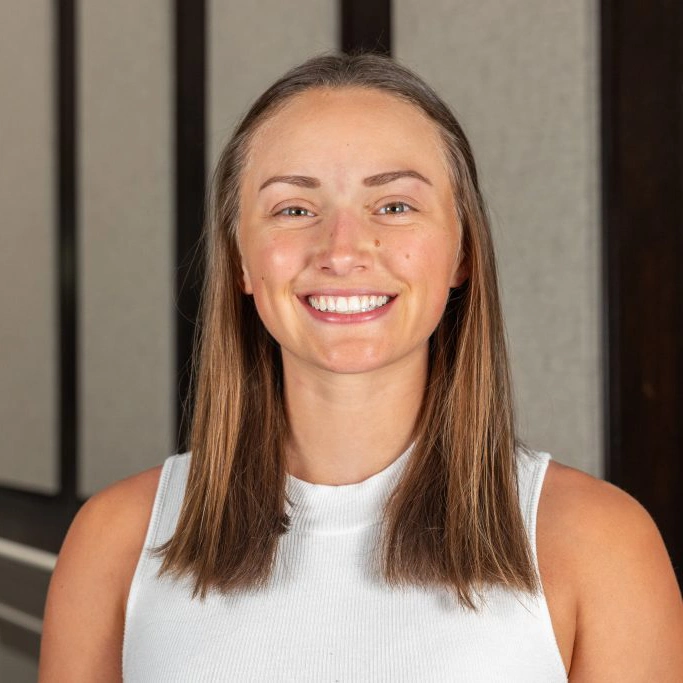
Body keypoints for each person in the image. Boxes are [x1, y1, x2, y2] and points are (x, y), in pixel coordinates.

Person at [39, 52, 682, 682]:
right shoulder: (115, 540)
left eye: (395, 206)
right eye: (293, 209)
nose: (342, 251)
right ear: (240, 259)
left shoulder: (602, 546)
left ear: (462, 254)